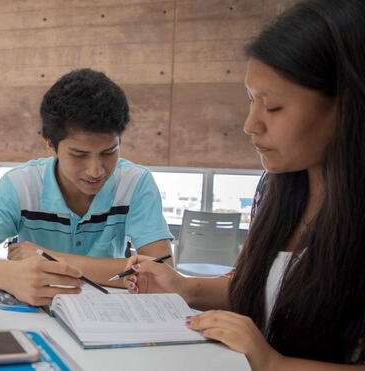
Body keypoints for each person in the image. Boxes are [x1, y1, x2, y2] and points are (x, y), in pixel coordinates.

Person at [124, 0, 365, 368]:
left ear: (347, 104)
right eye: (251, 101)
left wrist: (273, 363)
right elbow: (274, 290)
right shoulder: (277, 187)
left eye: (273, 107)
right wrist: (184, 287)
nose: (251, 124)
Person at [0, 68, 173, 305]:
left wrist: (48, 258)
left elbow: (161, 275)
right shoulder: (21, 185)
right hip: (35, 313)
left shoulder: (135, 182)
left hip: (107, 311)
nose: (96, 170)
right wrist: (8, 276)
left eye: (109, 152)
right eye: (79, 155)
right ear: (50, 145)